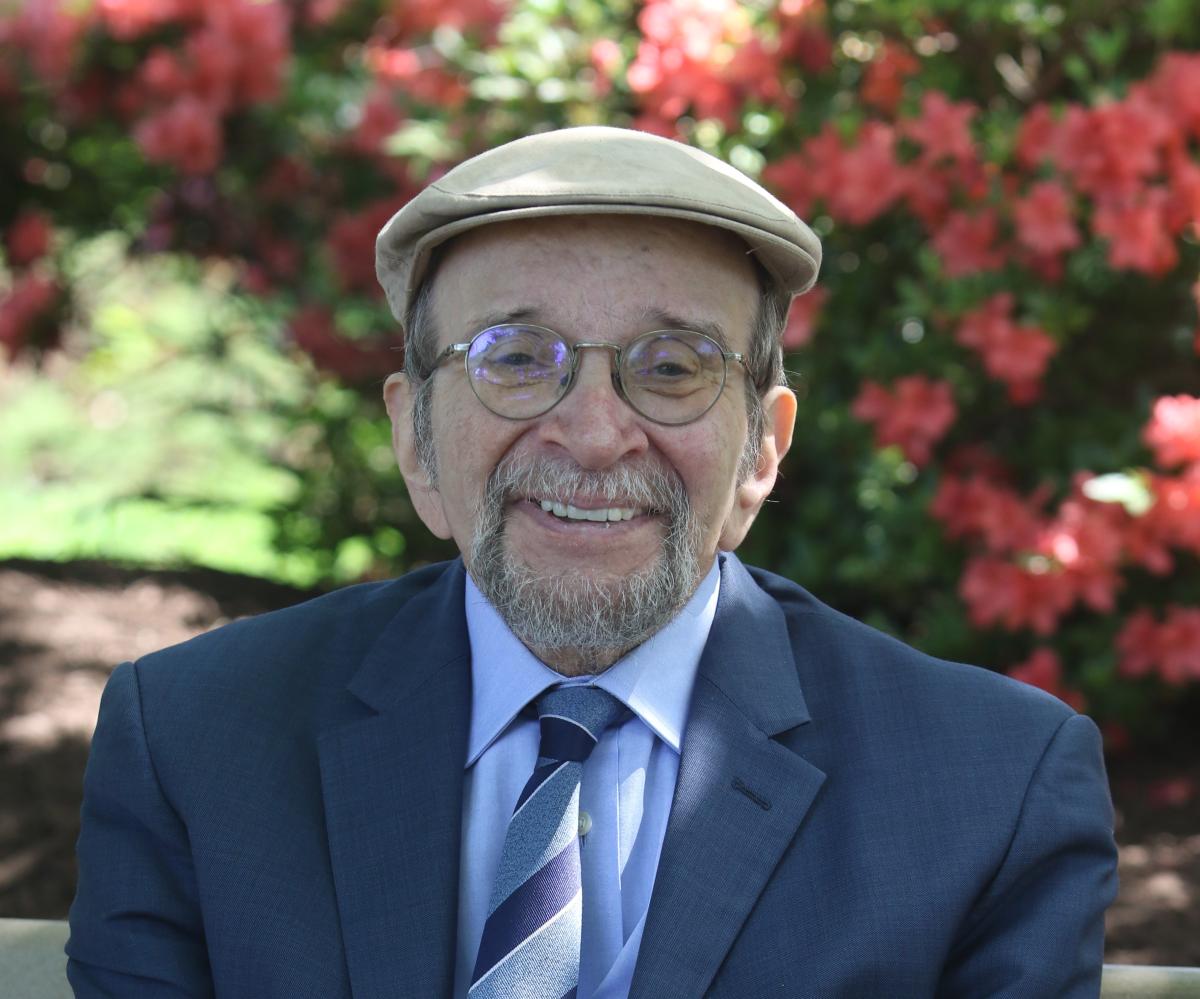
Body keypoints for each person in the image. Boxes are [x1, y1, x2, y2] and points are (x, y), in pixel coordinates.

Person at [67, 126, 1118, 998]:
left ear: (762, 450)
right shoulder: (196, 747)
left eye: (673, 367)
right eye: (517, 359)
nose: (596, 432)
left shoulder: (992, 793)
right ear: (415, 440)